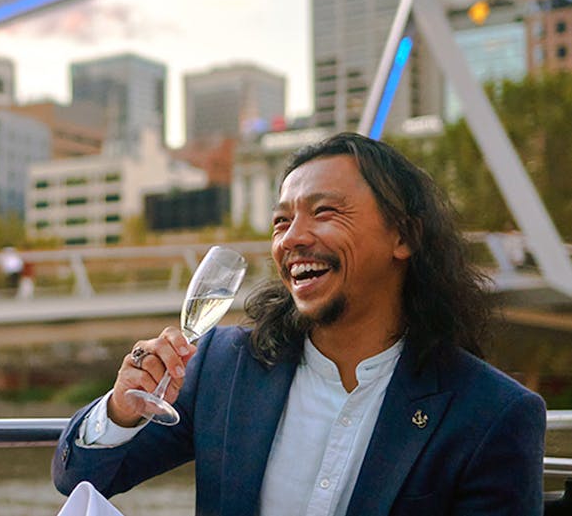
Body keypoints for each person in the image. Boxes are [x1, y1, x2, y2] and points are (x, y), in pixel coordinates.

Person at [52, 133, 546, 515]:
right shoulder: (222, 367)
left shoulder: (491, 414)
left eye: (324, 212)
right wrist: (121, 408)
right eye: (281, 221)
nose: (292, 239)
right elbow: (80, 477)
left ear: (404, 237)